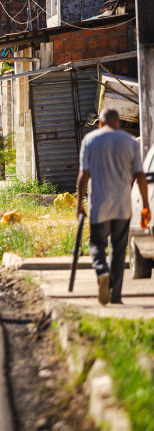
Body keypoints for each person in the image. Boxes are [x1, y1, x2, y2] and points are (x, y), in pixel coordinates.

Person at [76, 108, 149, 305]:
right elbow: (140, 176)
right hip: (122, 206)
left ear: (100, 123)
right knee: (118, 248)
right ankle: (115, 295)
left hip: (99, 205)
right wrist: (146, 205)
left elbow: (84, 174)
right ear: (119, 123)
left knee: (97, 244)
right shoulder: (130, 142)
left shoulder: (90, 141)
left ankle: (102, 273)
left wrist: (79, 204)